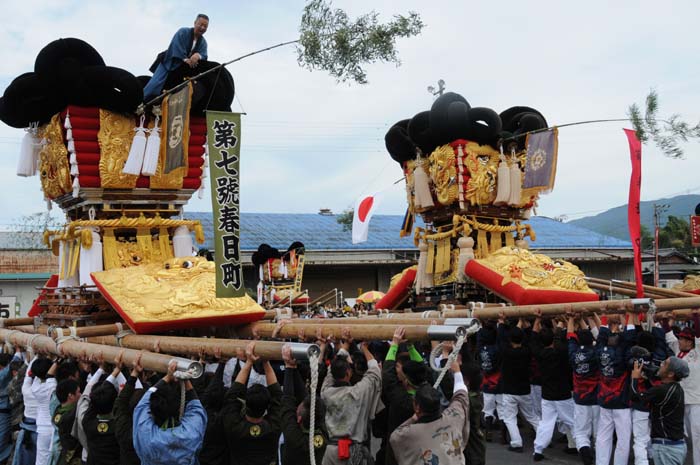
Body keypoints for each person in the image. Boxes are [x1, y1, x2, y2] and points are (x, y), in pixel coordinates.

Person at [389, 356, 470, 465]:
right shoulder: (454, 417)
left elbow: (394, 438)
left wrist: (414, 418)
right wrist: (457, 372)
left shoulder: (408, 434)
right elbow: (461, 396)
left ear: (417, 407)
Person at [132, 360, 207, 465]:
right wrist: (186, 380)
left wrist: (168, 377)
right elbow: (196, 408)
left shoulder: (144, 433)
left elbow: (142, 405)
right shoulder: (189, 435)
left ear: (152, 411)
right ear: (179, 409)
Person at [321, 339, 381, 465]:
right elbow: (374, 372)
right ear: (348, 373)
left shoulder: (326, 392)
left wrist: (346, 346)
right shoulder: (358, 393)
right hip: (352, 451)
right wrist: (365, 348)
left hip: (330, 451)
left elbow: (331, 372)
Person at [222, 341, 282, 465]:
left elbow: (231, 396)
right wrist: (265, 362)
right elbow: (277, 396)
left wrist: (249, 362)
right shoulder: (273, 427)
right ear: (267, 407)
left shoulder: (234, 426)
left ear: (245, 404)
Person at [529, 313, 575, 462]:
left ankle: (538, 450)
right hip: (563, 394)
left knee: (546, 424)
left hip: (547, 395)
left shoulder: (540, 353)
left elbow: (533, 339)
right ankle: (584, 448)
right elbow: (569, 339)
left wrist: (537, 319)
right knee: (573, 422)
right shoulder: (561, 352)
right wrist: (569, 320)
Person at [382, 327, 428, 465]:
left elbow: (388, 375)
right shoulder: (428, 394)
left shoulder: (403, 400)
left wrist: (395, 344)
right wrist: (410, 346)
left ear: (406, 381)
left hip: (399, 453)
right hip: (421, 451)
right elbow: (422, 369)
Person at [631, 356, 689, 465]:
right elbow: (653, 393)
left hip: (666, 448)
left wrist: (634, 378)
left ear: (670, 374)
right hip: (675, 446)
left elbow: (635, 397)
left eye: (664, 364)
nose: (660, 365)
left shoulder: (662, 390)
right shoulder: (676, 388)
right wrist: (646, 379)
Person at [595, 313, 636, 465]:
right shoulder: (622, 353)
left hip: (605, 400)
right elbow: (630, 339)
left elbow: (601, 338)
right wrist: (629, 315)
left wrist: (604, 317)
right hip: (621, 402)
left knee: (603, 436)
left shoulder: (600, 351)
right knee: (623, 439)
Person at [496, 314, 539, 452]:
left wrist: (501, 322)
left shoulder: (505, 351)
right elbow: (532, 338)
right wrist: (529, 323)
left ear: (510, 340)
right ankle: (544, 437)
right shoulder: (527, 351)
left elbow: (501, 337)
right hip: (524, 390)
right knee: (532, 417)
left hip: (509, 390)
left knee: (509, 418)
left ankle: (516, 443)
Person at [143, 14, 209, 101]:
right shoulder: (183, 32)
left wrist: (198, 55)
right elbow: (176, 45)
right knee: (154, 84)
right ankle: (141, 100)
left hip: (184, 69)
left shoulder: (203, 42)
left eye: (205, 26)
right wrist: (185, 59)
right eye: (201, 24)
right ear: (195, 23)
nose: (202, 28)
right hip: (170, 61)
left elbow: (204, 55)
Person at [280, 345, 328, 465]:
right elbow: (306, 400)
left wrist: (289, 367)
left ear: (299, 418)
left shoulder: (294, 437)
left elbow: (287, 401)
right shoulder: (322, 434)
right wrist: (293, 368)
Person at [666, 312, 700, 465]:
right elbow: (669, 336)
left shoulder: (697, 352)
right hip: (680, 401)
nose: (679, 340)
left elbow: (699, 335)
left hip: (696, 401)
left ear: (690, 342)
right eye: (679, 338)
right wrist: (665, 319)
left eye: (682, 339)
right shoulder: (677, 351)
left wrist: (696, 317)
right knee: (681, 435)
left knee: (697, 435)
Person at [567, 314, 599, 465]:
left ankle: (585, 452)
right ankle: (601, 456)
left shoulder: (573, 353)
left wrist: (571, 319)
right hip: (597, 397)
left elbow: (570, 336)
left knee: (580, 431)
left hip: (580, 398)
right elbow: (600, 335)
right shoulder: (596, 352)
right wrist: (585, 318)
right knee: (599, 431)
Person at [476, 323, 502, 444]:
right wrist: (499, 327)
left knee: (488, 409)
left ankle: (489, 431)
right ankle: (503, 435)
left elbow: (479, 340)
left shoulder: (480, 349)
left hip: (487, 383)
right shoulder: (498, 349)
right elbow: (500, 339)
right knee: (502, 410)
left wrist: (479, 327)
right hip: (499, 382)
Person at [31, 357, 58, 465]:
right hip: (53, 427)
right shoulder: (53, 385)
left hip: (42, 428)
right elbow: (49, 376)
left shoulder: (35, 388)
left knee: (41, 459)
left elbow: (38, 372)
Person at [53, 378, 82, 465]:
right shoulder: (68, 417)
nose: (81, 394)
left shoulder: (58, 411)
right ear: (71, 396)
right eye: (78, 392)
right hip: (73, 458)